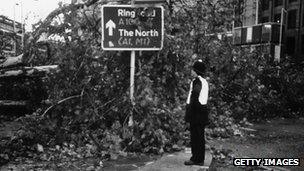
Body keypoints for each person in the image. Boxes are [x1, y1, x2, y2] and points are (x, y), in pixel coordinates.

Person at [184, 59, 209, 166]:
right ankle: (199, 159)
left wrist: (189, 112)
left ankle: (196, 158)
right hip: (202, 112)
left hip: (196, 112)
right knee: (199, 136)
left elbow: (195, 95)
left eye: (193, 69)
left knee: (196, 137)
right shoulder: (204, 81)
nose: (191, 71)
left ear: (196, 71)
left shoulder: (197, 81)